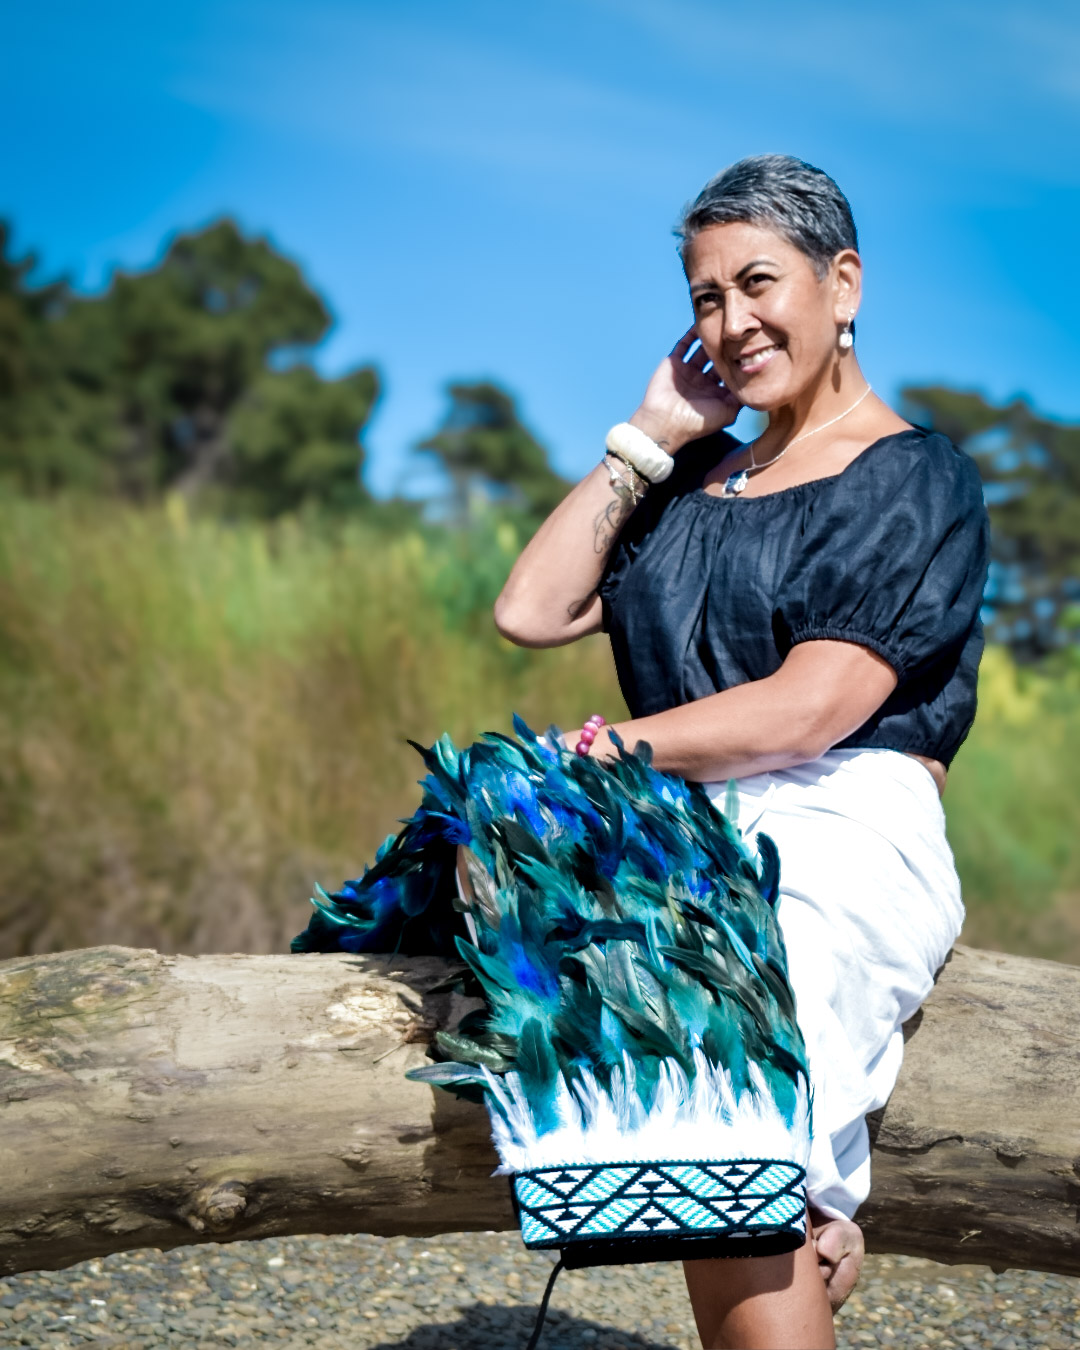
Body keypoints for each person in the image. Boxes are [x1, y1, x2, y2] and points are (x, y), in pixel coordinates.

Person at [492, 153, 991, 1348]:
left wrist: (602, 749)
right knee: (682, 1115)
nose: (732, 321)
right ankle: (814, 1228)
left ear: (843, 283)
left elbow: (811, 710)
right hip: (686, 819)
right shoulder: (691, 487)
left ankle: (811, 1211)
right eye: (706, 297)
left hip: (842, 822)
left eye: (758, 282)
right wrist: (654, 432)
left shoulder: (914, 478)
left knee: (744, 1103)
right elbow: (533, 610)